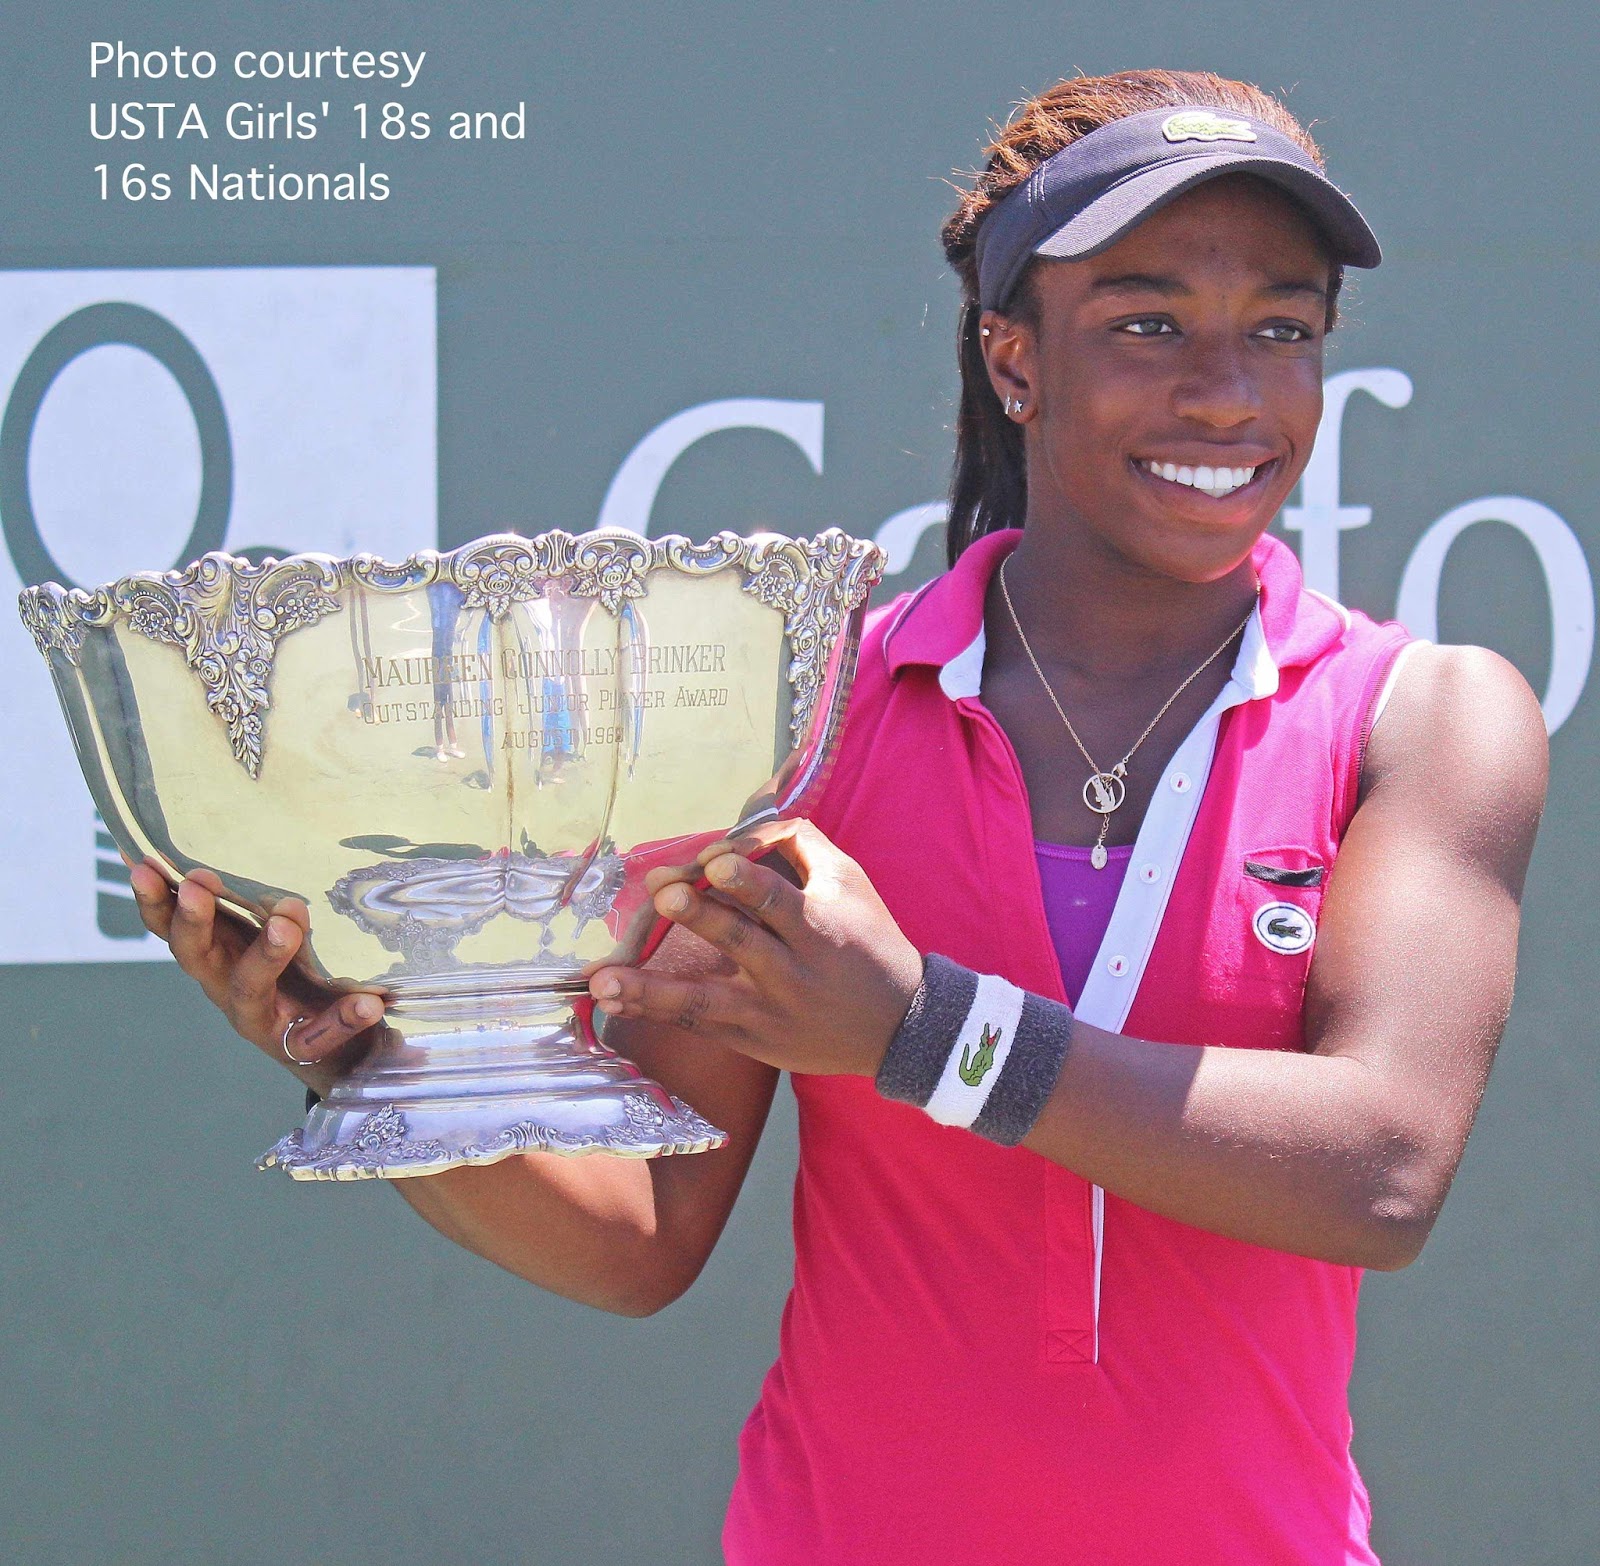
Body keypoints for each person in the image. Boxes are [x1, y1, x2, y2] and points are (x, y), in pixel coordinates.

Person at [130, 68, 1547, 1565]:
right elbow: (639, 1235)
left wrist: (919, 1027)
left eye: (1285, 328)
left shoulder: (1429, 716)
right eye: (1146, 323)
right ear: (1015, 357)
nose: (1228, 392)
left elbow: (1383, 1166)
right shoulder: (800, 722)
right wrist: (370, 1058)